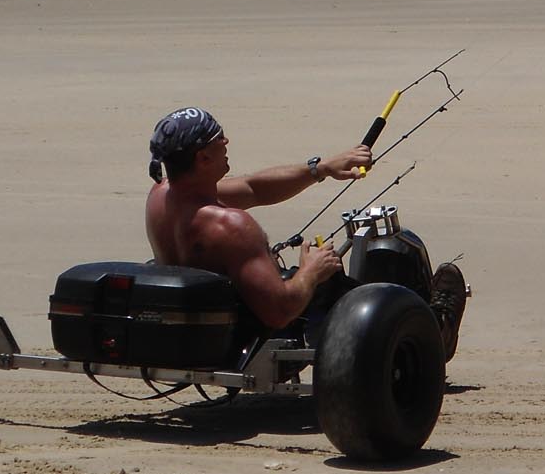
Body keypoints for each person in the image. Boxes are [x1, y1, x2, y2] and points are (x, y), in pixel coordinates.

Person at [144, 107, 468, 356]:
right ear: (203, 157)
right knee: (340, 285)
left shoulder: (162, 196)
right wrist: (312, 271)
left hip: (205, 319)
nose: (226, 142)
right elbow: (280, 312)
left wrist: (321, 169)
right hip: (259, 324)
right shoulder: (231, 227)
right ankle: (436, 332)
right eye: (219, 138)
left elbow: (253, 188)